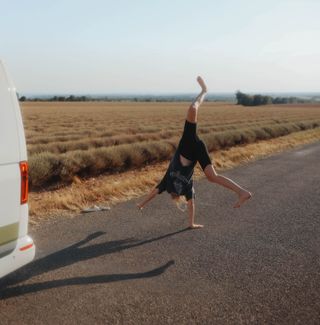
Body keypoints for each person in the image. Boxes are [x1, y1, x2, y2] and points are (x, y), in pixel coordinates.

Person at [137, 76, 252, 229]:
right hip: (196, 150)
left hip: (187, 143)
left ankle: (204, 91)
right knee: (213, 177)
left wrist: (142, 204)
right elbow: (191, 205)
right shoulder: (186, 188)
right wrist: (191, 224)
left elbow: (154, 192)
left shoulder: (167, 184)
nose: (175, 195)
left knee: (192, 108)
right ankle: (242, 192)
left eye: (175, 196)